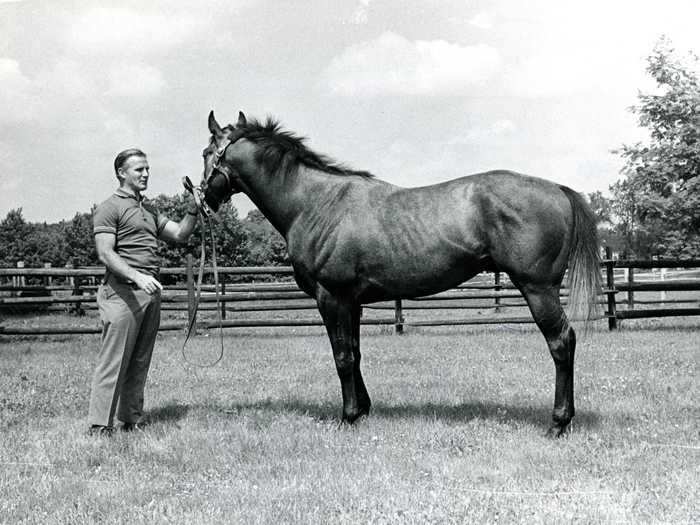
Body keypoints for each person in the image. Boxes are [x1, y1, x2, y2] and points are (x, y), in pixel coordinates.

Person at [88, 148, 199, 435]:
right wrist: (137, 276)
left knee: (139, 361)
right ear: (121, 173)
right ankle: (100, 425)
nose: (146, 174)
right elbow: (105, 253)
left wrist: (192, 209)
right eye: (139, 169)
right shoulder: (109, 207)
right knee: (114, 361)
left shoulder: (148, 210)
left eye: (147, 169)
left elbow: (179, 234)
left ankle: (130, 421)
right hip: (122, 292)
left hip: (149, 292)